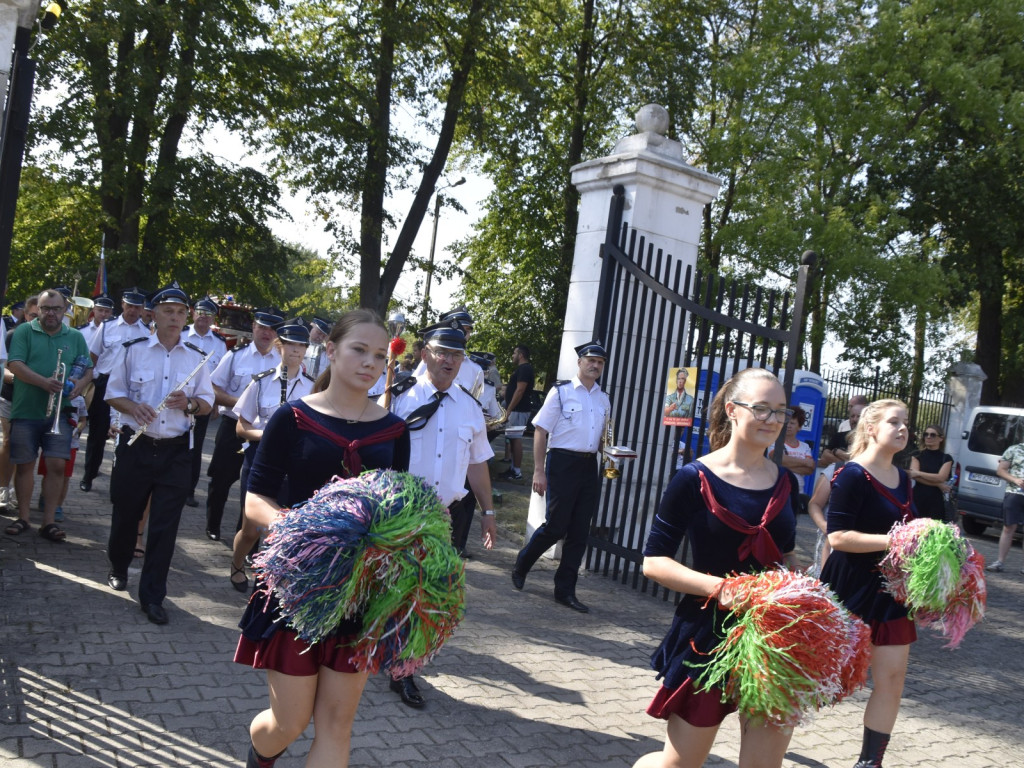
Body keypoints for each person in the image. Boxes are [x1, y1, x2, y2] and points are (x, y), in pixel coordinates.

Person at [235, 309, 410, 768]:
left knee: (336, 726)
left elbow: (397, 508)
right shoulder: (291, 417)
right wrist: (304, 536)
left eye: (378, 355)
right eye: (358, 350)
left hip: (360, 594)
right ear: (330, 351)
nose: (370, 363)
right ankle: (259, 756)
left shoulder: (395, 431)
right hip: (297, 587)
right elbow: (256, 499)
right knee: (288, 724)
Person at [632, 367, 799, 768]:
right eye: (762, 408)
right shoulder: (694, 477)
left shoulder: (786, 482)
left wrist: (804, 588)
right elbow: (653, 563)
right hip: (707, 634)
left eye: (780, 411)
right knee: (679, 764)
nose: (773, 420)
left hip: (772, 637)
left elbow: (787, 557)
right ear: (733, 410)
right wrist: (723, 589)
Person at [385, 321, 496, 709]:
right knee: (388, 589)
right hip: (394, 512)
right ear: (424, 354)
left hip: (439, 518)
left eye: (457, 355)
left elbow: (478, 464)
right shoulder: (396, 395)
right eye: (442, 352)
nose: (449, 360)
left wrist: (488, 510)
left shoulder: (469, 407)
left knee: (423, 594)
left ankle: (404, 669)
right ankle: (372, 651)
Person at [103, 282, 215, 624]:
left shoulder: (197, 358)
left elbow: (207, 403)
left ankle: (152, 595)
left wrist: (191, 403)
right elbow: (112, 393)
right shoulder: (133, 348)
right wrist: (134, 409)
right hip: (136, 446)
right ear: (154, 314)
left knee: (165, 526)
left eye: (181, 312)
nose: (175, 317)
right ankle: (119, 565)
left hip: (176, 452)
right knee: (126, 514)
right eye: (168, 311)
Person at [819, 399, 917, 768]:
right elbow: (839, 537)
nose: (904, 428)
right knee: (819, 675)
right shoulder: (852, 474)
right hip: (849, 588)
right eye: (895, 421)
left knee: (892, 678)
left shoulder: (905, 478)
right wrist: (898, 541)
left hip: (891, 591)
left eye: (906, 422)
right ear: (871, 428)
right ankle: (768, 735)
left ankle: (869, 762)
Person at [511, 341, 611, 614]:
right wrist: (539, 470)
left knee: (579, 531)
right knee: (556, 526)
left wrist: (614, 452)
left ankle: (565, 590)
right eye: (590, 360)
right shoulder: (561, 392)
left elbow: (602, 439)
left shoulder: (604, 399)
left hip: (589, 466)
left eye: (600, 362)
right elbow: (541, 431)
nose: (595, 365)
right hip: (562, 463)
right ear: (579, 362)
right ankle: (523, 563)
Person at [229, 319, 315, 592]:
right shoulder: (261, 382)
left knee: (281, 527)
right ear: (280, 346)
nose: (296, 350)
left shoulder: (314, 388)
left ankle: (267, 581)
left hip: (294, 466)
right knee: (251, 530)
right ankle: (237, 563)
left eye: (302, 345)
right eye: (291, 344)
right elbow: (241, 427)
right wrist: (268, 435)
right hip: (260, 460)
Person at [4, 289, 93, 541]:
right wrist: (44, 383)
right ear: (38, 309)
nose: (50, 313)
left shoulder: (74, 336)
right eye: (45, 308)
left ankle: (48, 522)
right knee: (24, 465)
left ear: (64, 311)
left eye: (55, 309)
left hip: (61, 412)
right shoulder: (24, 331)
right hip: (26, 409)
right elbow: (15, 365)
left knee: (56, 466)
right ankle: (23, 518)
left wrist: (79, 384)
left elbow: (87, 369)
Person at [205, 308, 282, 541]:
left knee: (257, 488)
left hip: (265, 434)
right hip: (232, 426)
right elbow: (213, 388)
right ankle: (213, 525)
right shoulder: (236, 355)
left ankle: (246, 537)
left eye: (272, 329)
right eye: (262, 327)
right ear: (253, 327)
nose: (266, 333)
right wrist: (241, 404)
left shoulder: (282, 361)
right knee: (221, 478)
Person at [80, 287, 150, 492]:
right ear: (123, 305)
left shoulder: (146, 333)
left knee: (125, 434)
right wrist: (88, 381)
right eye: (130, 306)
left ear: (142, 308)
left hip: (130, 388)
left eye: (137, 307)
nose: (133, 311)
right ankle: (89, 475)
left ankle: (117, 483)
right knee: (98, 433)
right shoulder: (108, 326)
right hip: (105, 383)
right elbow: (92, 355)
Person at [182, 295, 229, 507]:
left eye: (208, 314)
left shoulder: (220, 344)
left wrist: (217, 403)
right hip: (178, 397)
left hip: (202, 401)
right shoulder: (182, 335)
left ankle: (189, 490)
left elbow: (221, 378)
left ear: (213, 319)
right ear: (193, 313)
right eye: (200, 312)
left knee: (196, 446)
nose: (203, 317)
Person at [0, 298, 39, 510]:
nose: (37, 319)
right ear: (25, 315)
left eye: (40, 315)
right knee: (8, 442)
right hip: (11, 396)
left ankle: (17, 490)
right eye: (33, 315)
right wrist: (21, 378)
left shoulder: (50, 337)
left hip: (34, 400)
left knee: (25, 447)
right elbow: (3, 369)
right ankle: (3, 488)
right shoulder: (12, 335)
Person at [984, 439, 1024, 573]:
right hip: (1014, 493)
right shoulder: (1014, 449)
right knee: (1008, 527)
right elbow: (1001, 470)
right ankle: (1000, 562)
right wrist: (1016, 480)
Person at [499, 343, 534, 481]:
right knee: (512, 439)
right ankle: (513, 469)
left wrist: (509, 409)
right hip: (517, 410)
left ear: (520, 355)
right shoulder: (521, 369)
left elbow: (520, 391)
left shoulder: (525, 369)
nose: (512, 356)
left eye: (514, 353)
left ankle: (517, 472)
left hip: (519, 410)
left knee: (515, 439)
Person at [908, 424, 953, 521]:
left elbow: (941, 477)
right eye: (926, 434)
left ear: (941, 438)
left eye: (932, 435)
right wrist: (938, 484)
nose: (928, 437)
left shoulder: (946, 458)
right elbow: (914, 476)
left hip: (936, 500)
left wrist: (920, 473)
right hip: (918, 497)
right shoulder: (917, 454)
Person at [819, 402, 863, 468]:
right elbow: (824, 456)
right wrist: (845, 466)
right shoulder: (839, 436)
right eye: (852, 416)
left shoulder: (870, 440)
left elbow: (861, 461)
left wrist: (837, 452)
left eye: (858, 416)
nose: (855, 419)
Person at [780, 406, 816, 477]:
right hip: (781, 486)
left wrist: (785, 465)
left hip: (799, 487)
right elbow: (779, 459)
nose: (788, 426)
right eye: (786, 422)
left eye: (792, 423)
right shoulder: (775, 443)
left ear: (799, 427)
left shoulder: (805, 447)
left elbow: (810, 469)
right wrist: (805, 462)